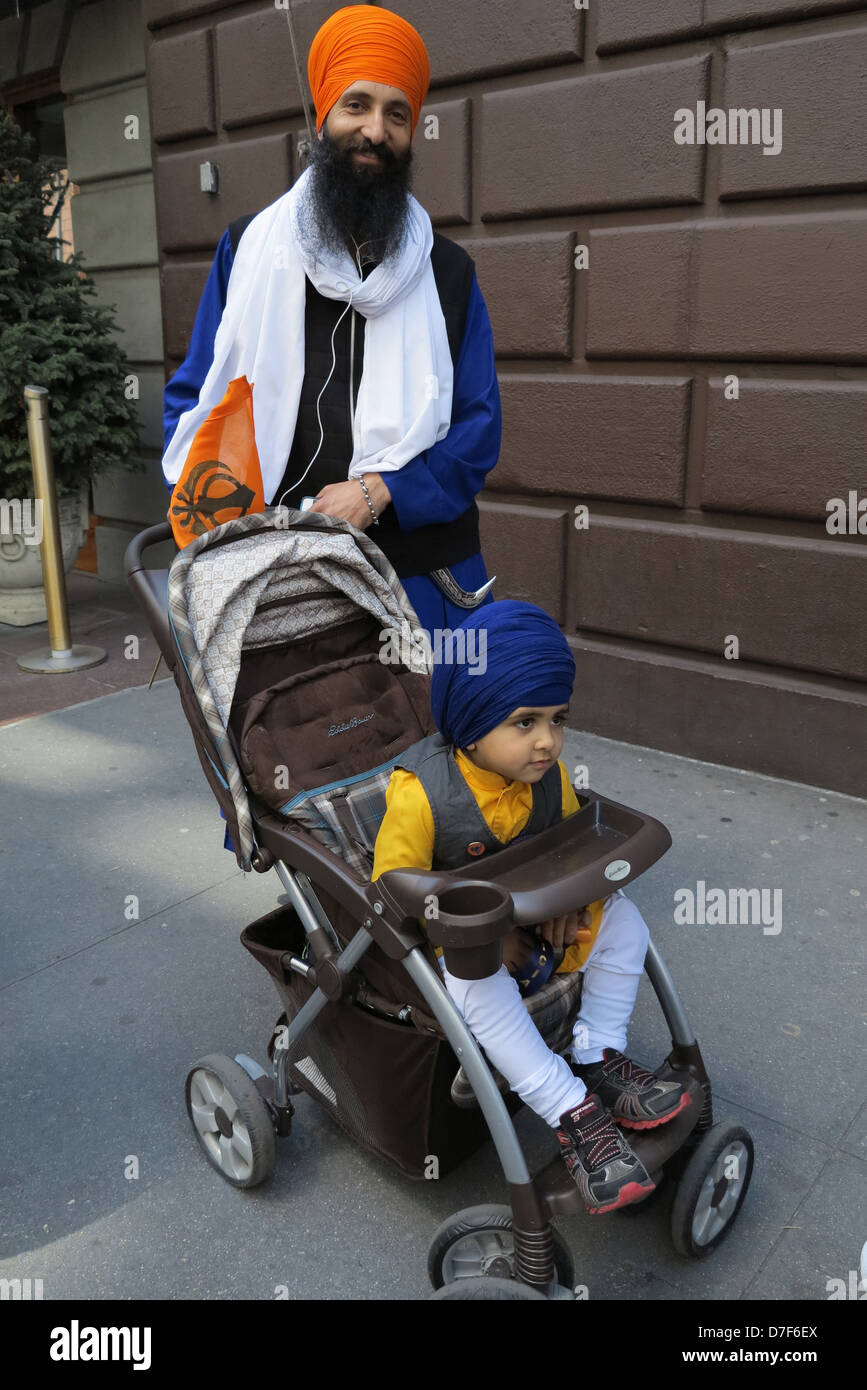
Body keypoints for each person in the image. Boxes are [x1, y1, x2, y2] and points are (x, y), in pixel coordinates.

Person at [161, 4, 500, 637]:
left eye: (396, 114)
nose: (375, 130)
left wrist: (378, 491)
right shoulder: (248, 249)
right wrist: (218, 520)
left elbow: (477, 433)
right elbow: (194, 398)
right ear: (324, 115)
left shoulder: (447, 271)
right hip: (275, 576)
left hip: (419, 576)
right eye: (357, 105)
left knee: (426, 737)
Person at [371, 601, 688, 1214]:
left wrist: (577, 900)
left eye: (557, 719)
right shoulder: (420, 796)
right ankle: (568, 1106)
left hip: (544, 922)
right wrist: (478, 941)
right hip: (468, 947)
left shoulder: (548, 776)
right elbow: (395, 885)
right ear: (471, 722)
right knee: (476, 986)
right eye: (525, 722)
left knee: (623, 918)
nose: (548, 741)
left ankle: (598, 1055)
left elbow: (573, 847)